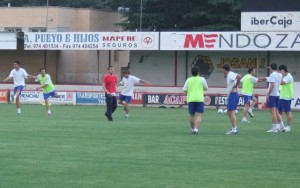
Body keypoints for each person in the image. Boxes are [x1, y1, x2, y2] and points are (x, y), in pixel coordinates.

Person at [182, 66, 208, 135]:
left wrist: (189, 93)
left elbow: (184, 90)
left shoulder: (188, 80)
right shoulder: (202, 79)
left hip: (191, 99)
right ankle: (196, 129)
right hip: (199, 99)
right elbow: (206, 88)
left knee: (191, 115)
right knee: (199, 115)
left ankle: (193, 129)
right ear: (198, 72)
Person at [259, 63, 283, 132]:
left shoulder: (272, 75)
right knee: (276, 111)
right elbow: (268, 79)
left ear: (271, 68)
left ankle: (274, 128)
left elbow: (272, 85)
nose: (269, 69)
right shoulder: (279, 75)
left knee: (273, 112)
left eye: (269, 68)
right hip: (277, 94)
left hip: (272, 95)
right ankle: (282, 126)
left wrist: (268, 94)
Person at [222, 64, 241, 135]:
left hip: (233, 95)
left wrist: (236, 85)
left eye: (223, 69)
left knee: (231, 113)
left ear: (224, 69)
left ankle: (234, 129)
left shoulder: (230, 74)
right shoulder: (229, 75)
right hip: (231, 95)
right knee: (228, 112)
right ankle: (234, 127)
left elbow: (239, 76)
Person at [277, 65, 293, 132]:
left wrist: (280, 76)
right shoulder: (285, 76)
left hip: (286, 97)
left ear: (283, 70)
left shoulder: (288, 77)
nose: (279, 72)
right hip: (282, 97)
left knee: (287, 112)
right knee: (279, 112)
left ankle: (288, 127)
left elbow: (281, 83)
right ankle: (279, 125)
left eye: (280, 71)